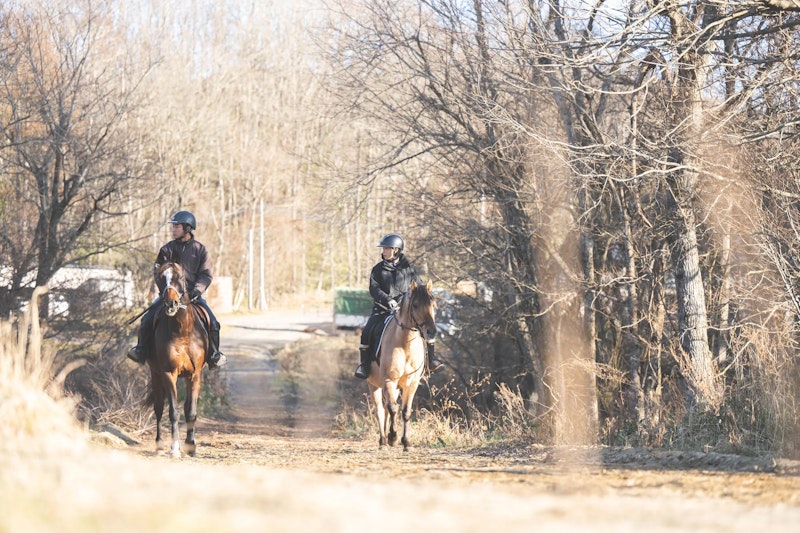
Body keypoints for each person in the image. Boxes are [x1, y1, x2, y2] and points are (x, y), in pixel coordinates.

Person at [128, 210, 227, 369]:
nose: (173, 229)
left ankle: (214, 355)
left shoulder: (200, 250)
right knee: (146, 320)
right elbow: (157, 271)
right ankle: (141, 350)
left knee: (213, 323)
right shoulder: (166, 250)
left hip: (193, 297)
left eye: (177, 227)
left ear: (187, 228)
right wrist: (166, 290)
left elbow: (206, 274)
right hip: (169, 295)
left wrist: (197, 291)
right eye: (173, 227)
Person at [354, 233, 443, 379]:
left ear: (396, 250)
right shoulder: (377, 269)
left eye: (386, 248)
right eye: (383, 248)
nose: (383, 251)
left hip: (405, 311)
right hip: (382, 310)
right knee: (366, 332)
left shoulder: (410, 270)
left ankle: (431, 361)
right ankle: (364, 366)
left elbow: (419, 289)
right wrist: (387, 299)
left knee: (428, 328)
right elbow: (374, 288)